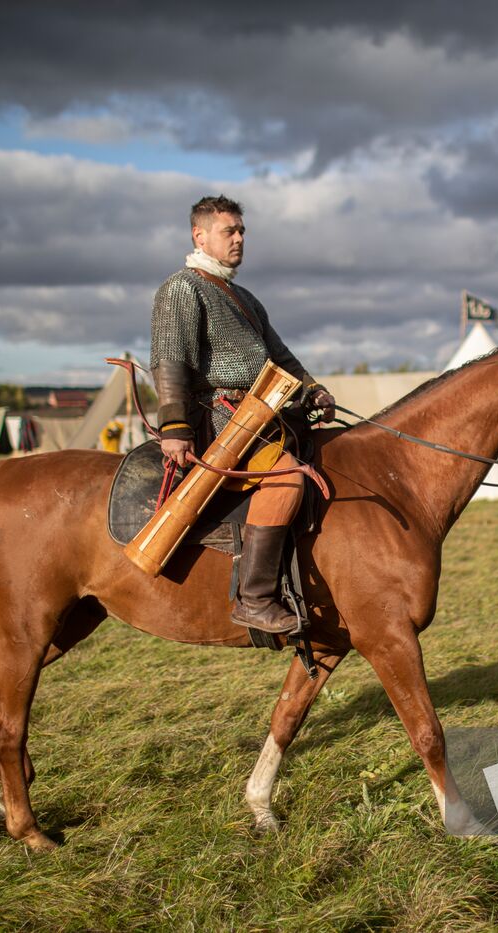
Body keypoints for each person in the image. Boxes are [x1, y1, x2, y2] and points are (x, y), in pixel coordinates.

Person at [150, 195, 335, 634]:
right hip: (219, 420)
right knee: (287, 477)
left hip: (264, 416)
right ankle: (254, 599)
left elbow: (281, 358)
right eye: (229, 231)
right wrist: (174, 427)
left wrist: (314, 390)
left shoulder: (244, 297)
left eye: (241, 231)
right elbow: (171, 361)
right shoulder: (183, 287)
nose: (239, 239)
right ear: (200, 235)